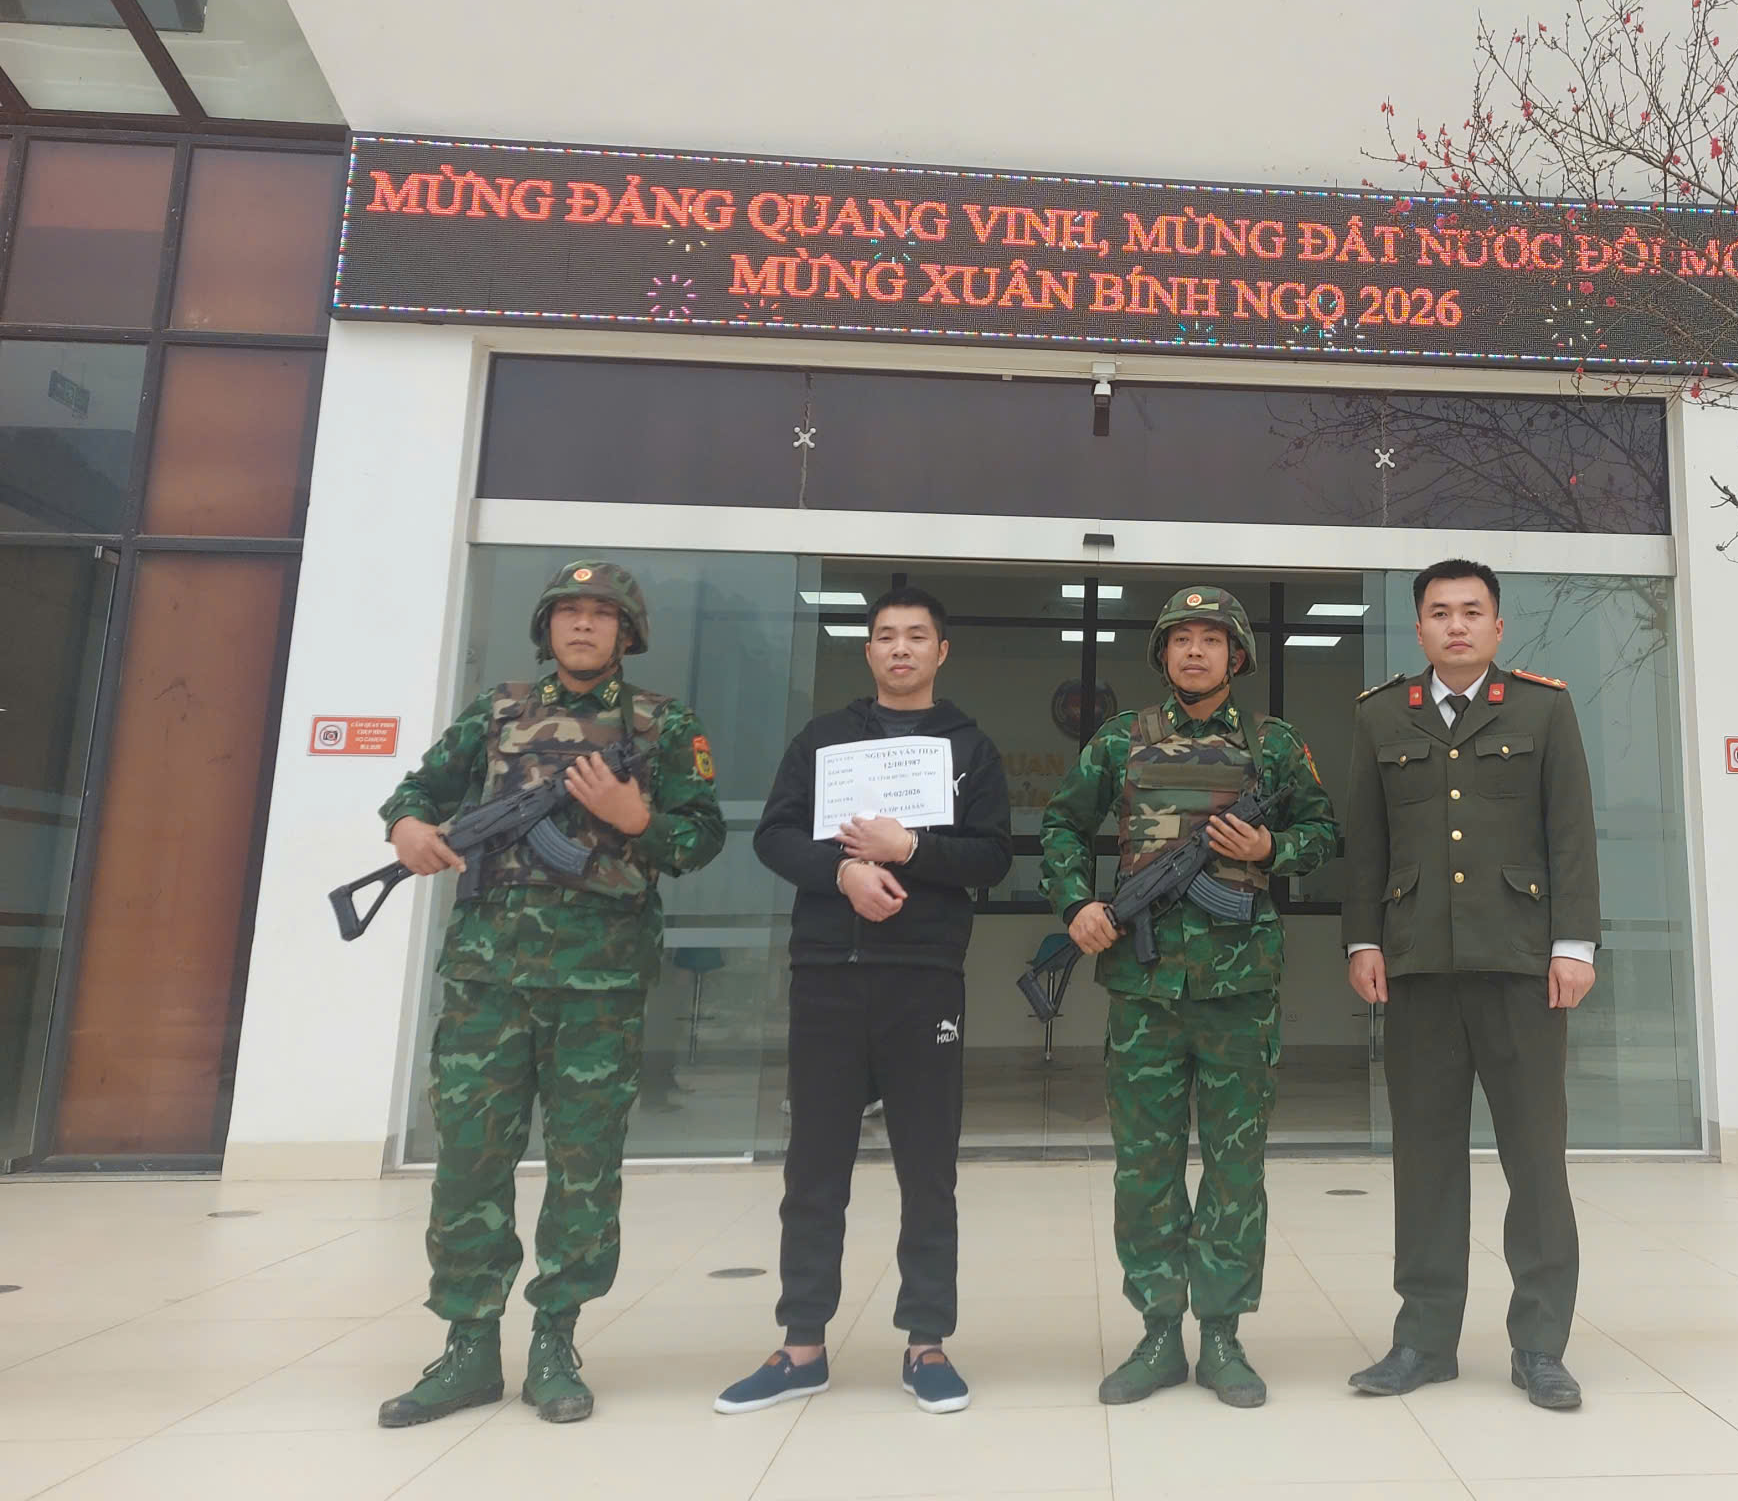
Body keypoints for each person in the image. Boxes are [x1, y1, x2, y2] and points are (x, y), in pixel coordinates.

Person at [377, 561, 726, 1428]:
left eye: (600, 614)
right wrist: (409, 828)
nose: (582, 625)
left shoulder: (662, 724)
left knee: (584, 1169)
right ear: (546, 628)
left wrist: (636, 819)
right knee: (469, 1164)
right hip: (487, 981)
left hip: (599, 986)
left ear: (626, 633)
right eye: (567, 612)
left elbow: (701, 837)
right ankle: (467, 1345)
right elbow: (418, 792)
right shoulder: (495, 712)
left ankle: (555, 1341)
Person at [715, 586, 1010, 1417]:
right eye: (886, 636)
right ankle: (801, 1345)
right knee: (813, 1168)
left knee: (929, 1168)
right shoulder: (823, 739)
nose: (901, 648)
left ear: (941, 651)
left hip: (924, 978)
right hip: (828, 975)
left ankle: (927, 1343)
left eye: (917, 636)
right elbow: (774, 835)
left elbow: (993, 857)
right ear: (869, 650)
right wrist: (842, 871)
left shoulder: (969, 748)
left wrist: (909, 847)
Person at [1041, 586, 1339, 1409]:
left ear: (1237, 656)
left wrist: (1272, 846)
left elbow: (1325, 832)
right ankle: (1158, 1334)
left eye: (1212, 639)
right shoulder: (1119, 741)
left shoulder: (1273, 745)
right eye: (1182, 639)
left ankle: (1223, 1336)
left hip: (1240, 990)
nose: (1196, 652)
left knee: (1236, 1170)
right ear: (1163, 654)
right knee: (1146, 1169)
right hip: (1144, 993)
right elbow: (1061, 826)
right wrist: (1077, 904)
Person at [1340, 560, 1599, 1412]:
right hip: (1417, 966)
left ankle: (1541, 1347)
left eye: (1472, 611)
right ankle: (1423, 1340)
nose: (1456, 625)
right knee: (1425, 1162)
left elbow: (1571, 832)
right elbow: (1366, 842)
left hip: (1522, 966)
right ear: (1419, 628)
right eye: (1440, 613)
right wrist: (1362, 939)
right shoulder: (1382, 715)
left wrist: (1573, 945)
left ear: (1497, 626)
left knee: (1536, 1159)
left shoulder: (1542, 708)